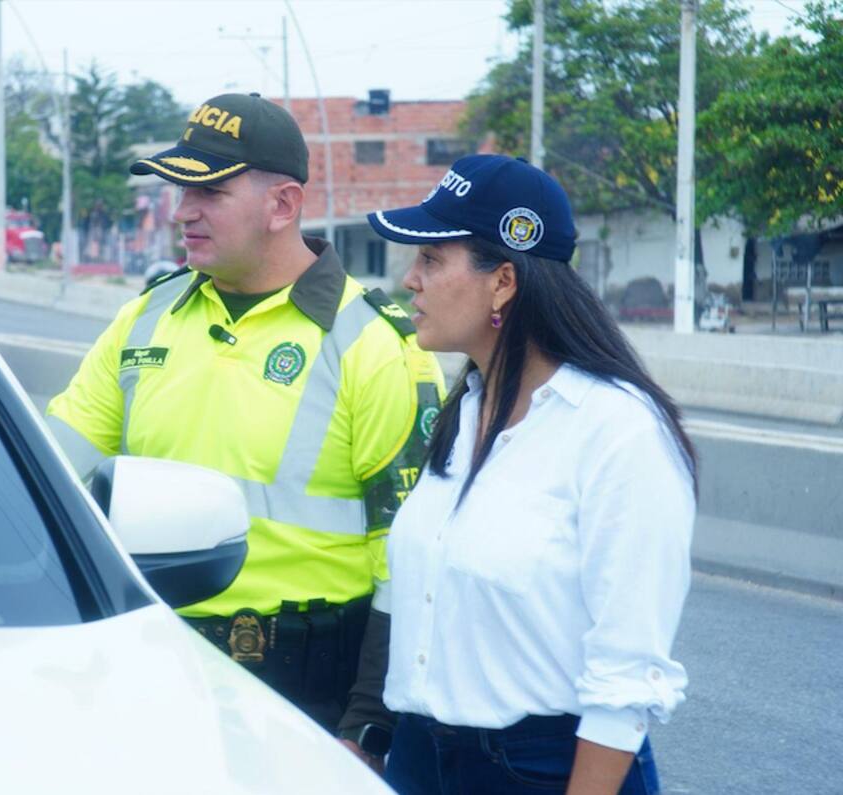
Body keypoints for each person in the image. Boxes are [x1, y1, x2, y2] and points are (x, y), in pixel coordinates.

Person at [45, 92, 445, 730]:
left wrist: (369, 723)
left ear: (283, 205)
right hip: (151, 664)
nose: (183, 211)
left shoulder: (374, 344)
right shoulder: (145, 316)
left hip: (305, 691)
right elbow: (53, 467)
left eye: (210, 192)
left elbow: (409, 559)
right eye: (181, 190)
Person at [348, 154, 697, 793]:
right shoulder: (466, 409)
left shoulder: (618, 431)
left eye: (431, 259)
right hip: (420, 755)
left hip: (541, 769)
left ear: (503, 281)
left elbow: (626, 676)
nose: (409, 280)